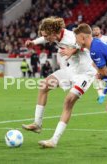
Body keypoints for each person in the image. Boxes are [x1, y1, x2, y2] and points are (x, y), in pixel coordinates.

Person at [22, 17, 96, 148]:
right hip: (71, 70)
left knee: (68, 102)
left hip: (85, 74)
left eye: (46, 36)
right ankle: (37, 124)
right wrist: (33, 42)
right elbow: (44, 39)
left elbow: (86, 46)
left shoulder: (71, 36)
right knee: (44, 85)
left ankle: (54, 141)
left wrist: (72, 50)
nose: (45, 38)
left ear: (53, 32)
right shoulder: (55, 36)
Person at [92, 25, 107, 103]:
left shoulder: (105, 38)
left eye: (97, 29)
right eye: (94, 30)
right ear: (92, 31)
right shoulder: (92, 40)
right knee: (97, 78)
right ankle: (100, 95)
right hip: (96, 61)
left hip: (106, 61)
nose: (96, 31)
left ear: (100, 30)